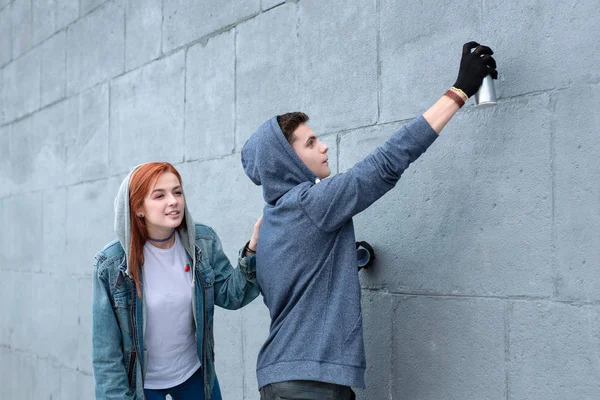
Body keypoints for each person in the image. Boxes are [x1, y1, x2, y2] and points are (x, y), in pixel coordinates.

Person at [241, 42, 497, 399]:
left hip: (280, 377)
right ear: (287, 160)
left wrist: (347, 257)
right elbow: (386, 163)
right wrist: (458, 91)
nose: (324, 147)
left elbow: (302, 286)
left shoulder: (272, 220)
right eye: (311, 142)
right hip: (311, 386)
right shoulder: (311, 203)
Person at [92, 162, 262, 400]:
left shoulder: (202, 242)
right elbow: (106, 354)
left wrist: (252, 250)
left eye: (177, 192)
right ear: (138, 207)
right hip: (143, 385)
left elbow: (231, 295)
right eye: (159, 195)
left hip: (194, 374)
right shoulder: (111, 265)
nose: (173, 201)